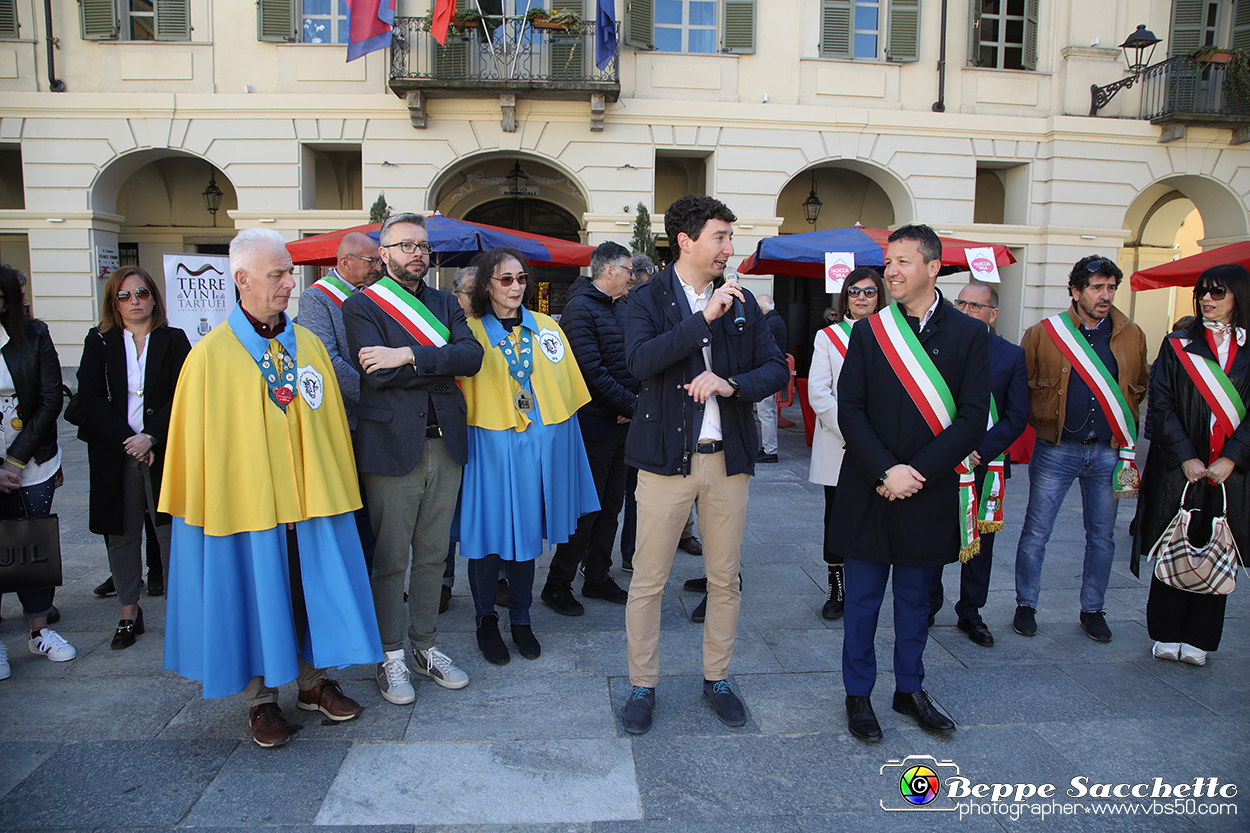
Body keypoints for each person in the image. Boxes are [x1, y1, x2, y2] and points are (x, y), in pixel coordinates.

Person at [161, 228, 382, 748]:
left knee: (309, 592)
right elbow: (196, 448)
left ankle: (313, 682)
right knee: (257, 595)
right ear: (242, 280)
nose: (289, 283)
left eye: (289, 272)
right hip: (248, 508)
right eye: (277, 274)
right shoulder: (210, 357)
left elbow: (327, 424)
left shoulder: (307, 344)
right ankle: (261, 700)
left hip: (308, 503)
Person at [619, 194, 789, 735]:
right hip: (665, 462)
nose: (729, 249)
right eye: (720, 237)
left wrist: (731, 383)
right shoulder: (645, 299)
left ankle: (717, 677)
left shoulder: (742, 301)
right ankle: (643, 685)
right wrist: (701, 321)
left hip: (728, 462)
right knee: (648, 581)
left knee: (724, 580)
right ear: (685, 240)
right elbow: (640, 362)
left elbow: (775, 370)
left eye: (730, 238)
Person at [833, 225, 989, 741]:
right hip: (869, 487)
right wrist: (886, 471)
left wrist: (916, 473)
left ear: (932, 267)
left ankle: (909, 689)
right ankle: (858, 695)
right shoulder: (870, 332)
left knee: (916, 601)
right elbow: (849, 410)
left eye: (901, 261)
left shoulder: (970, 335)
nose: (890, 272)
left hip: (929, 488)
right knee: (862, 602)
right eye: (887, 261)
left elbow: (972, 418)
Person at [342, 213, 483, 703]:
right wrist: (436, 361)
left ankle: (425, 647)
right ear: (383, 254)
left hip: (445, 443)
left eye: (422, 246)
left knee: (433, 553)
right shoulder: (362, 305)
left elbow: (471, 358)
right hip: (390, 447)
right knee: (389, 558)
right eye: (405, 246)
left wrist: (405, 356)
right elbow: (373, 374)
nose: (416, 254)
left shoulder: (447, 301)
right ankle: (390, 657)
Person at [459, 247, 598, 665]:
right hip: (489, 449)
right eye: (506, 280)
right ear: (487, 286)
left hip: (537, 450)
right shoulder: (470, 332)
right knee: (487, 536)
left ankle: (521, 618)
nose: (516, 286)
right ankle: (485, 620)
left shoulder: (546, 328)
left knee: (526, 538)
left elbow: (566, 393)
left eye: (521, 279)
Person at [1013, 255, 1148, 643]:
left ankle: (1093, 609)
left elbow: (1138, 386)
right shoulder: (1043, 333)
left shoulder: (1132, 334)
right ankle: (1026, 604)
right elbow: (1023, 386)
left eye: (1111, 288)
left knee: (1102, 537)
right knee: (1037, 532)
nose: (1105, 295)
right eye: (1096, 287)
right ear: (1075, 291)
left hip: (1108, 451)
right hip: (1056, 450)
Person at [1134, 264, 1250, 667]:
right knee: (1174, 539)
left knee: (1218, 545)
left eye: (1218, 293)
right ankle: (1165, 631)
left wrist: (1232, 458)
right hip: (1178, 466)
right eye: (1203, 292)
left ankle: (1200, 637)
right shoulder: (1177, 343)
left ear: (1239, 297)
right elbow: (1161, 403)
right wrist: (1186, 455)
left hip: (1231, 470)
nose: (1207, 300)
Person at [76, 266, 191, 650]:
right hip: (115, 451)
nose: (135, 302)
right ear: (114, 302)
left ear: (154, 297)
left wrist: (151, 436)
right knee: (121, 532)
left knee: (169, 531)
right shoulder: (99, 341)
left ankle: (181, 614)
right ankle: (128, 611)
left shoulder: (173, 340)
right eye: (125, 296)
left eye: (141, 293)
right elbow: (89, 398)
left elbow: (183, 394)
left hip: (162, 451)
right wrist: (129, 440)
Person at [928, 281, 1028, 646]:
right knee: (937, 534)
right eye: (961, 304)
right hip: (945, 460)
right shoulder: (941, 348)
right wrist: (953, 447)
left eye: (975, 306)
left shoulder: (1011, 355)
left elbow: (1017, 416)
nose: (966, 311)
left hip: (987, 465)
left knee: (980, 545)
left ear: (993, 313)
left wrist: (977, 448)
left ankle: (971, 612)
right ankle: (928, 605)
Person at [541, 242, 637, 616]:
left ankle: (597, 574)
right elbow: (591, 373)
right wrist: (633, 406)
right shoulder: (580, 310)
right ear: (609, 271)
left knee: (612, 506)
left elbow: (637, 359)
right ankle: (557, 583)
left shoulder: (626, 308)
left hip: (623, 426)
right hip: (595, 426)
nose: (633, 276)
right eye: (628, 270)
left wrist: (634, 406)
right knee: (586, 511)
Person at [295, 232, 382, 573]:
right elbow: (326, 360)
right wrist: (372, 396)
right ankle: (360, 575)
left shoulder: (377, 294)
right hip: (347, 419)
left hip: (378, 417)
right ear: (345, 263)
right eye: (371, 261)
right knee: (356, 505)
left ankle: (379, 577)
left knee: (378, 504)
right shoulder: (317, 299)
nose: (378, 266)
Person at [0, 264, 72, 679]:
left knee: (32, 541)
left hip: (32, 458)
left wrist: (14, 460)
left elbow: (49, 399)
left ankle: (39, 630)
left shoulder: (35, 334)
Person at [807, 267, 887, 620]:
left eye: (869, 292)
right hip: (840, 445)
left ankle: (868, 586)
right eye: (854, 292)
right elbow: (819, 394)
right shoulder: (828, 337)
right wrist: (855, 434)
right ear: (845, 297)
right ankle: (837, 589)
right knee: (837, 519)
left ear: (880, 296)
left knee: (875, 519)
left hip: (885, 446)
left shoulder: (896, 337)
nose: (861, 298)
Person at [755, 294, 787, 463]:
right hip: (773, 372)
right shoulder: (777, 320)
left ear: (761, 308)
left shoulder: (768, 322)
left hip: (767, 372)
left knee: (766, 412)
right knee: (770, 412)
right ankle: (768, 447)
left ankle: (770, 450)